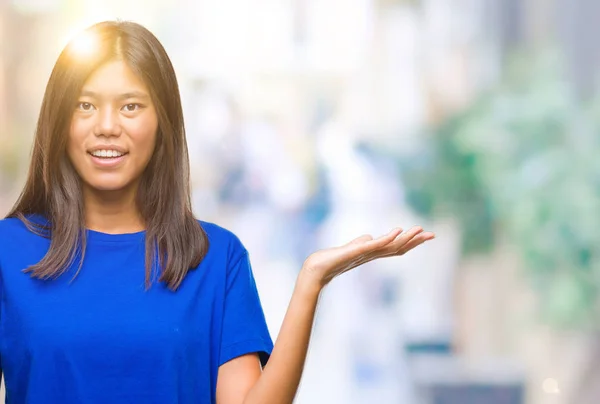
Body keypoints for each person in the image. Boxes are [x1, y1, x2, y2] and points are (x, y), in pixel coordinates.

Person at [0, 20, 435, 404]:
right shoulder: (7, 252)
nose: (107, 125)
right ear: (59, 120)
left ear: (163, 123)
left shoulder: (214, 258)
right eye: (85, 105)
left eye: (131, 105)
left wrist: (310, 283)